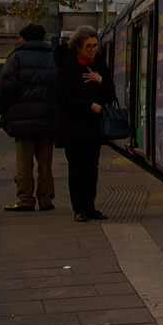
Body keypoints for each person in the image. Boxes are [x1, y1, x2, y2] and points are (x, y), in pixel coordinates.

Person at [54, 26, 116, 222]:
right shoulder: (67, 66)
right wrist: (88, 104)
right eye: (88, 46)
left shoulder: (98, 63)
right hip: (73, 127)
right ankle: (79, 208)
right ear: (78, 47)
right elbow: (62, 98)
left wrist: (99, 80)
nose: (92, 50)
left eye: (95, 46)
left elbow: (110, 94)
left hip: (93, 128)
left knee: (92, 168)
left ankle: (90, 207)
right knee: (77, 168)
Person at [0, 23, 58, 212]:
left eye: (20, 37)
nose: (19, 40)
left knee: (23, 164)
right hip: (48, 119)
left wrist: (4, 111)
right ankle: (46, 200)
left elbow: (5, 89)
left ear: (25, 38)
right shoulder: (53, 58)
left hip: (22, 120)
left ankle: (25, 200)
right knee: (46, 164)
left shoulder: (16, 58)